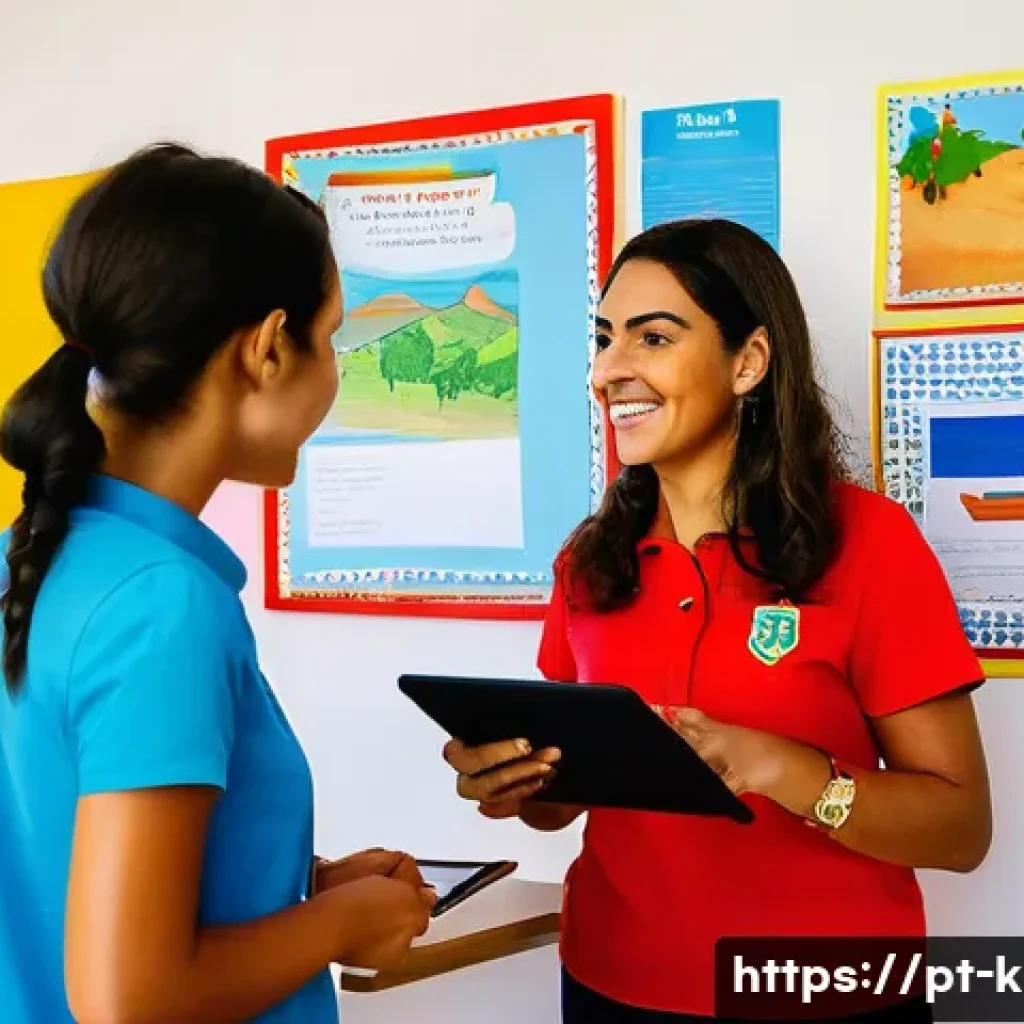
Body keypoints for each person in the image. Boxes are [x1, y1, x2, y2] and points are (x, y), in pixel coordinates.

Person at [444, 219, 993, 1022]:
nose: (608, 370)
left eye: (652, 337)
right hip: (611, 983)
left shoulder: (869, 543)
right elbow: (563, 798)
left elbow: (961, 829)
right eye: (604, 339)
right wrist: (515, 781)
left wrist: (786, 769)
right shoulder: (589, 561)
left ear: (749, 362)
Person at [0, 143, 436, 1024]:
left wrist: (298, 887)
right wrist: (339, 925)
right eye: (332, 336)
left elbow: (57, 864)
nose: (336, 368)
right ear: (269, 349)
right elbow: (130, 997)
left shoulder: (31, 558)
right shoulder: (162, 606)